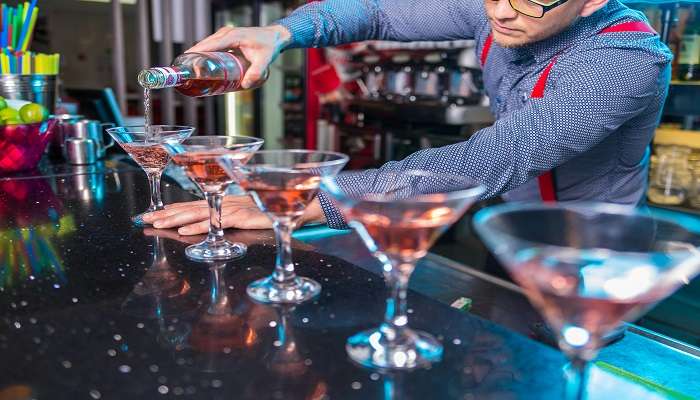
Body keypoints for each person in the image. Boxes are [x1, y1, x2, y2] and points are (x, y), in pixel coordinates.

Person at [143, 0, 672, 234]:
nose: (500, 12)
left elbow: (491, 158)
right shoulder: (506, 7)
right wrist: (280, 34)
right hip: (510, 226)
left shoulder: (623, 61)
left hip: (588, 248)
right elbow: (376, 10)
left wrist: (305, 200)